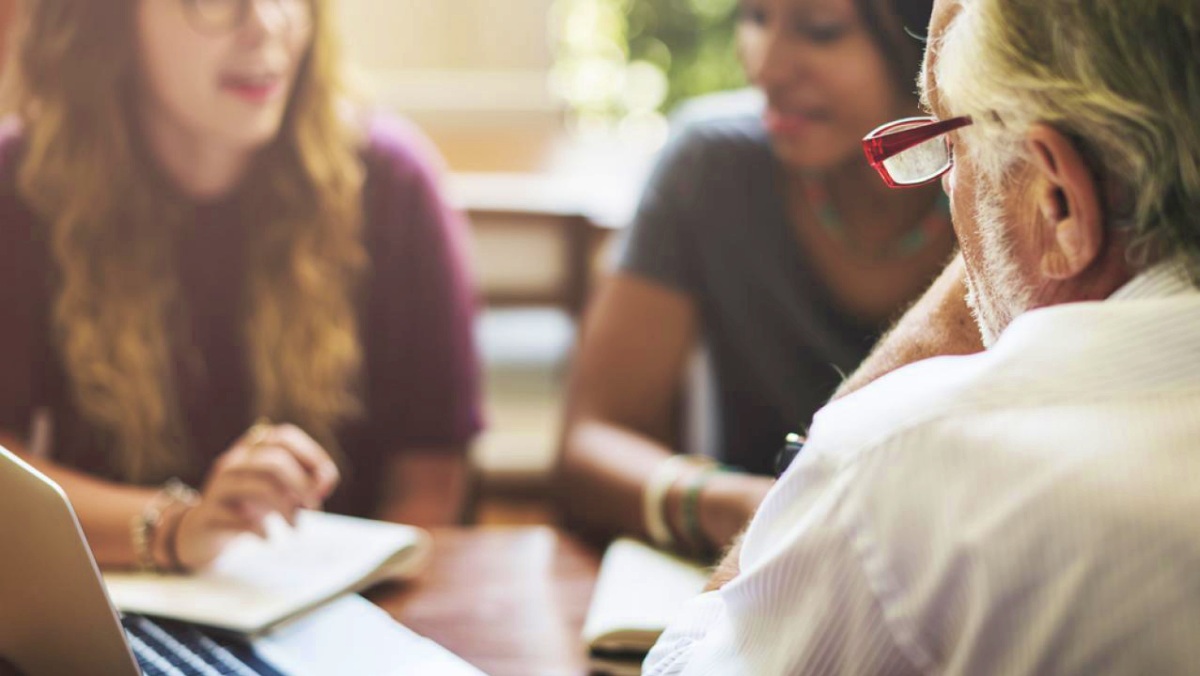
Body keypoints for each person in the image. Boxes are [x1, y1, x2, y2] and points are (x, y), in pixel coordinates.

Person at [644, 0, 1200, 672]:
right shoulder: (716, 166)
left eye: (952, 148)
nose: (766, 64)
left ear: (1057, 199)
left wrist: (946, 319)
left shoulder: (899, 461)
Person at [0, 0, 483, 573]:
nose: (266, 23)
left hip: (337, 619)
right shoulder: (23, 185)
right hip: (121, 612)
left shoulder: (394, 186)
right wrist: (177, 527)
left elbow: (430, 482)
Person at [556, 0, 955, 557]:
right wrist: (730, 504)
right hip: (753, 574)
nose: (766, 67)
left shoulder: (1004, 188)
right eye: (754, 18)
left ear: (930, 40)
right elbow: (588, 446)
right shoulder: (710, 167)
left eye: (821, 31)